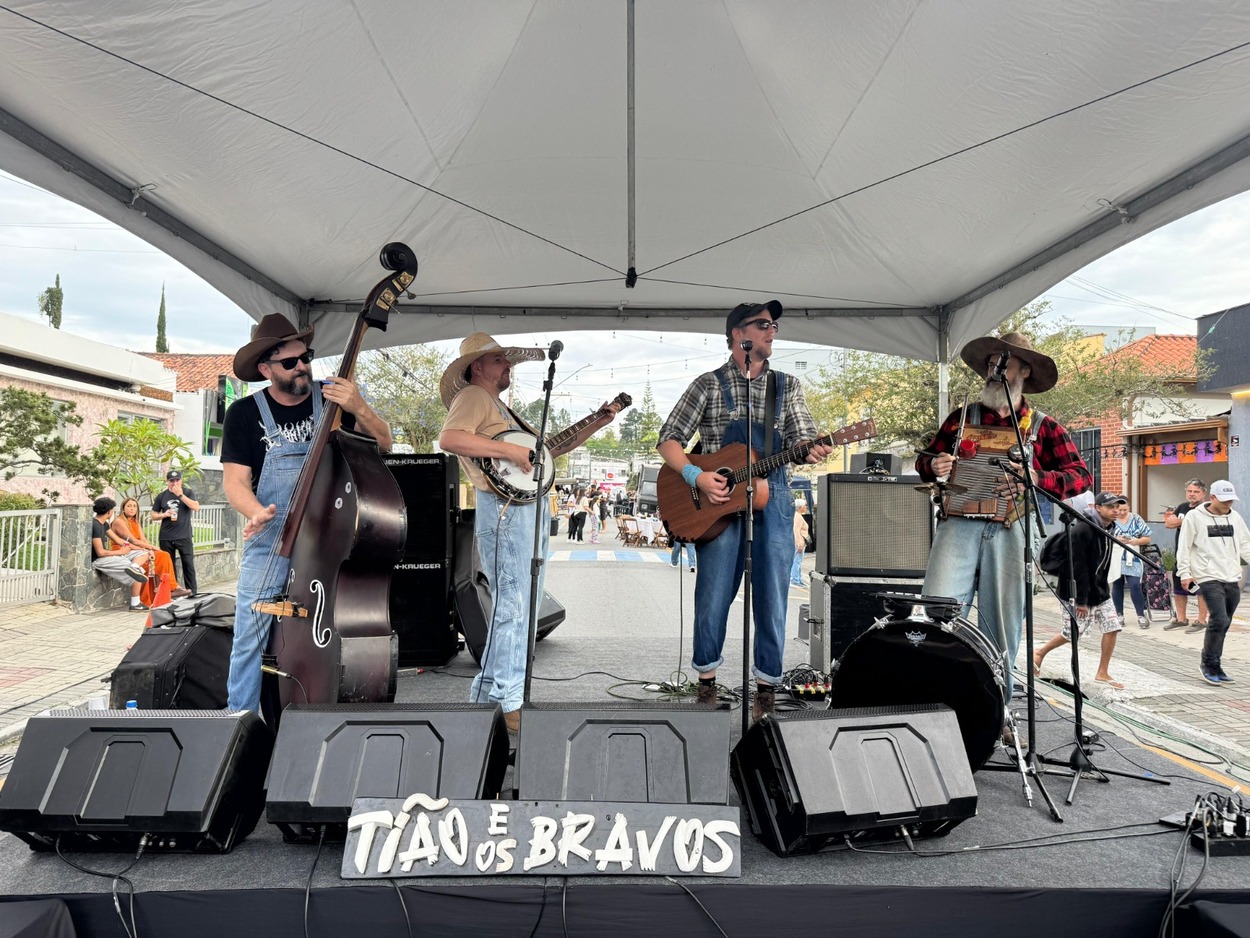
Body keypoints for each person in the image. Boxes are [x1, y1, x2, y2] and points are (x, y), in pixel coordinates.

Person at [438, 332, 621, 733]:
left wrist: (597, 421)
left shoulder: (499, 407)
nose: (507, 366)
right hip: (505, 511)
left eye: (506, 360)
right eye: (499, 360)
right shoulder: (472, 397)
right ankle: (505, 699)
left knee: (522, 605)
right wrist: (509, 451)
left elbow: (547, 451)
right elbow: (449, 439)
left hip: (524, 509)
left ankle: (494, 695)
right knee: (514, 605)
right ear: (478, 367)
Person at [658, 300, 832, 720]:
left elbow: (803, 438)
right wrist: (695, 477)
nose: (772, 330)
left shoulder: (786, 386)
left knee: (773, 599)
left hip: (772, 497)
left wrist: (812, 450)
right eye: (763, 324)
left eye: (773, 325)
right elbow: (669, 439)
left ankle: (766, 691)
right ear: (739, 334)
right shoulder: (708, 384)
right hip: (714, 501)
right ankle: (706, 685)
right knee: (713, 596)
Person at [221, 314, 393, 713]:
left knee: (337, 631)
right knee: (249, 639)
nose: (302, 366)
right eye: (290, 362)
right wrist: (256, 511)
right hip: (271, 541)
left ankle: (327, 716)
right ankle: (238, 724)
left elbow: (384, 442)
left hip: (328, 542)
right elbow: (234, 483)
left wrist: (359, 406)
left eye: (306, 357)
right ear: (265, 369)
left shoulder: (336, 399)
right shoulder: (244, 414)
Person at [916, 332, 1092, 719]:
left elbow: (1080, 477)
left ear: (1024, 371)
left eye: (1005, 362)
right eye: (992, 362)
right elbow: (927, 459)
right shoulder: (962, 418)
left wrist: (1037, 476)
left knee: (1002, 625)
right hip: (958, 523)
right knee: (938, 613)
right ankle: (937, 704)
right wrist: (935, 465)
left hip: (1012, 528)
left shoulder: (1044, 426)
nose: (995, 370)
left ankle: (995, 712)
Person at [1032, 492, 1128, 689]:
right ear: (1098, 508)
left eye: (1118, 507)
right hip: (1075, 591)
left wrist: (1103, 587)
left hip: (1100, 590)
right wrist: (1081, 600)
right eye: (1111, 507)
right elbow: (1078, 567)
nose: (1116, 510)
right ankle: (1040, 653)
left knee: (1112, 627)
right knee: (1072, 633)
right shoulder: (1083, 530)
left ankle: (1102, 672)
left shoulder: (1108, 528)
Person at [1177, 480, 1250, 686]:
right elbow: (1184, 546)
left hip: (1231, 576)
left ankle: (1216, 664)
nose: (1229, 504)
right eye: (1225, 500)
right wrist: (1185, 574)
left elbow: (1245, 544)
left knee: (1225, 622)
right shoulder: (1194, 517)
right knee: (1218, 619)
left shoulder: (1235, 517)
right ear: (1213, 498)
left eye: (1231, 500)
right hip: (1207, 576)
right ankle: (1208, 664)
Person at [108, 496, 190, 602]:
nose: (132, 508)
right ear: (123, 508)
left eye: (134, 506)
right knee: (155, 561)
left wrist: (151, 550)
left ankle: (168, 591)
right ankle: (169, 589)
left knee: (163, 555)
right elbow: (133, 541)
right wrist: (150, 549)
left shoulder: (135, 522)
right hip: (124, 552)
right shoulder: (119, 521)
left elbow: (143, 540)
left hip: (138, 551)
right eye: (129, 506)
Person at [1163, 478, 1210, 633]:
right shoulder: (1182, 507)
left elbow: (1200, 525)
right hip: (1181, 554)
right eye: (1190, 491)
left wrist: (1181, 521)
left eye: (1196, 492)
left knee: (1200, 588)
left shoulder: (1207, 508)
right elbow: (1168, 523)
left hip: (1198, 556)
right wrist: (1184, 521)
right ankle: (1181, 619)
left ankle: (1201, 620)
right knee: (1178, 588)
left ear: (1204, 493)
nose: (1192, 494)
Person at [89, 496, 150, 611]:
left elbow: (118, 540)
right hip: (100, 560)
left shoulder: (104, 524)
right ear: (109, 511)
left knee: (143, 554)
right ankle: (135, 604)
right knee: (138, 573)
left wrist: (135, 547)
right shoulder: (95, 526)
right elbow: (100, 552)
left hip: (110, 555)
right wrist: (120, 552)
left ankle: (134, 567)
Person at [152, 469, 201, 596]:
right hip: (166, 536)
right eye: (171, 481)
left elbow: (196, 507)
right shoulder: (162, 496)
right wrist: (164, 514)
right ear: (167, 482)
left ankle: (193, 593)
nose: (174, 483)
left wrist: (180, 495)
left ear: (181, 480)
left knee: (188, 565)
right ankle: (171, 591)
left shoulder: (188, 492)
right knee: (168, 566)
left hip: (184, 535)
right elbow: (153, 515)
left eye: (177, 480)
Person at [1111, 500, 1151, 628]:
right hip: (1116, 555)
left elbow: (1147, 537)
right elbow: (1102, 535)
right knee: (1117, 585)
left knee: (1134, 585)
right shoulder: (1111, 519)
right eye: (1119, 510)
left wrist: (1136, 541)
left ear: (1129, 508)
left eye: (1125, 510)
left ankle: (1141, 614)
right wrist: (1116, 539)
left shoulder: (1136, 518)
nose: (1122, 513)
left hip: (1132, 555)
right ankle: (1119, 614)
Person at [790, 496, 809, 587]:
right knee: (797, 561)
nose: (806, 507)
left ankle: (797, 578)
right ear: (800, 507)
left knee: (798, 561)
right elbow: (796, 530)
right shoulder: (797, 516)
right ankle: (795, 579)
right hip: (799, 542)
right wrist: (799, 543)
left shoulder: (798, 516)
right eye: (805, 505)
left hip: (800, 542)